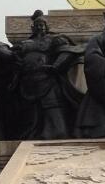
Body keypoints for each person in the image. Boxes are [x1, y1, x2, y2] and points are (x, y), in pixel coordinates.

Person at [8, 10, 84, 140]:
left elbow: (67, 51)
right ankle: (34, 134)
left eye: (42, 25)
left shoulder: (54, 39)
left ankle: (58, 132)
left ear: (46, 27)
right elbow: (13, 57)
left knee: (52, 107)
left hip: (46, 79)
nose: (40, 27)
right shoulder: (25, 43)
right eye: (37, 25)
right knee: (31, 113)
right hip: (28, 82)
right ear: (32, 27)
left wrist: (55, 66)